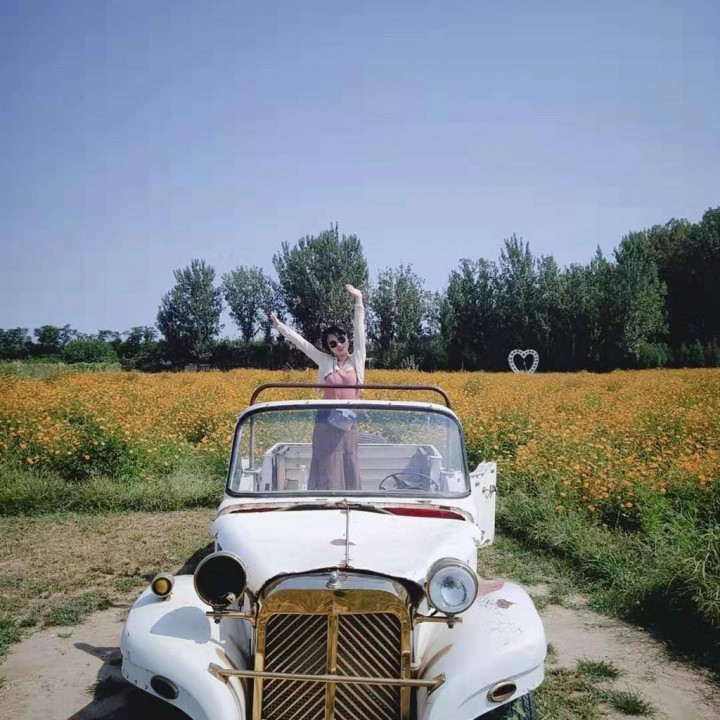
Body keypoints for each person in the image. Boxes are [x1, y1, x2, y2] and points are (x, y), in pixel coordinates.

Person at [269, 284, 365, 491]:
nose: (339, 345)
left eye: (341, 340)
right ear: (328, 348)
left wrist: (358, 299)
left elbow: (360, 331)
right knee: (327, 459)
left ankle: (351, 499)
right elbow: (302, 344)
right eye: (333, 343)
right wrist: (279, 326)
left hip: (348, 420)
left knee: (349, 458)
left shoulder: (357, 359)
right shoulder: (325, 361)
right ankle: (323, 498)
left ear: (347, 339)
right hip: (325, 419)